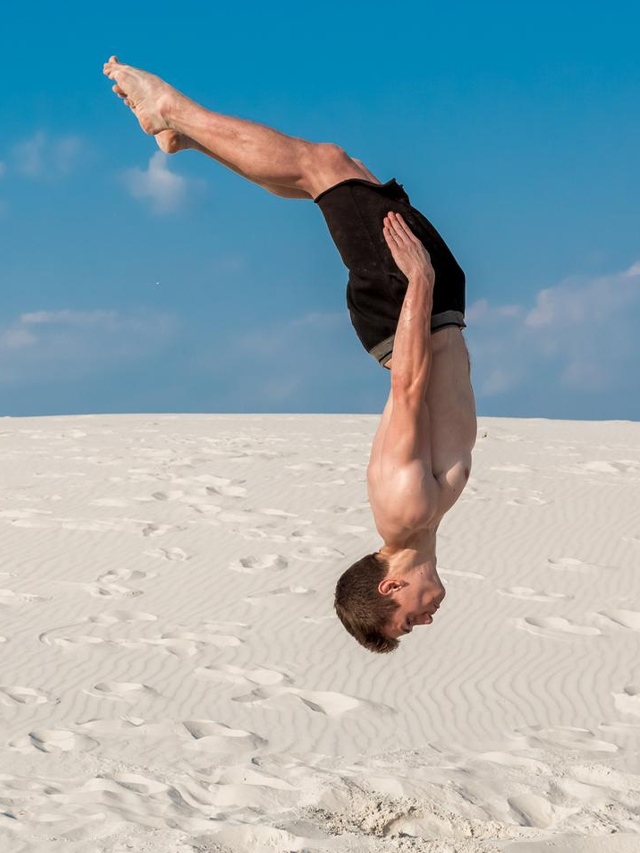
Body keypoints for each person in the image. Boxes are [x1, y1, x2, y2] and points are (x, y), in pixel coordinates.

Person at [102, 57, 477, 654]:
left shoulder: (404, 511)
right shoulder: (422, 520)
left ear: (390, 586)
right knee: (324, 173)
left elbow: (408, 386)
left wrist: (421, 282)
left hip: (410, 305)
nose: (421, 623)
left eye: (405, 621)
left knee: (322, 165)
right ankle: (185, 137)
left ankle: (174, 112)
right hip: (426, 309)